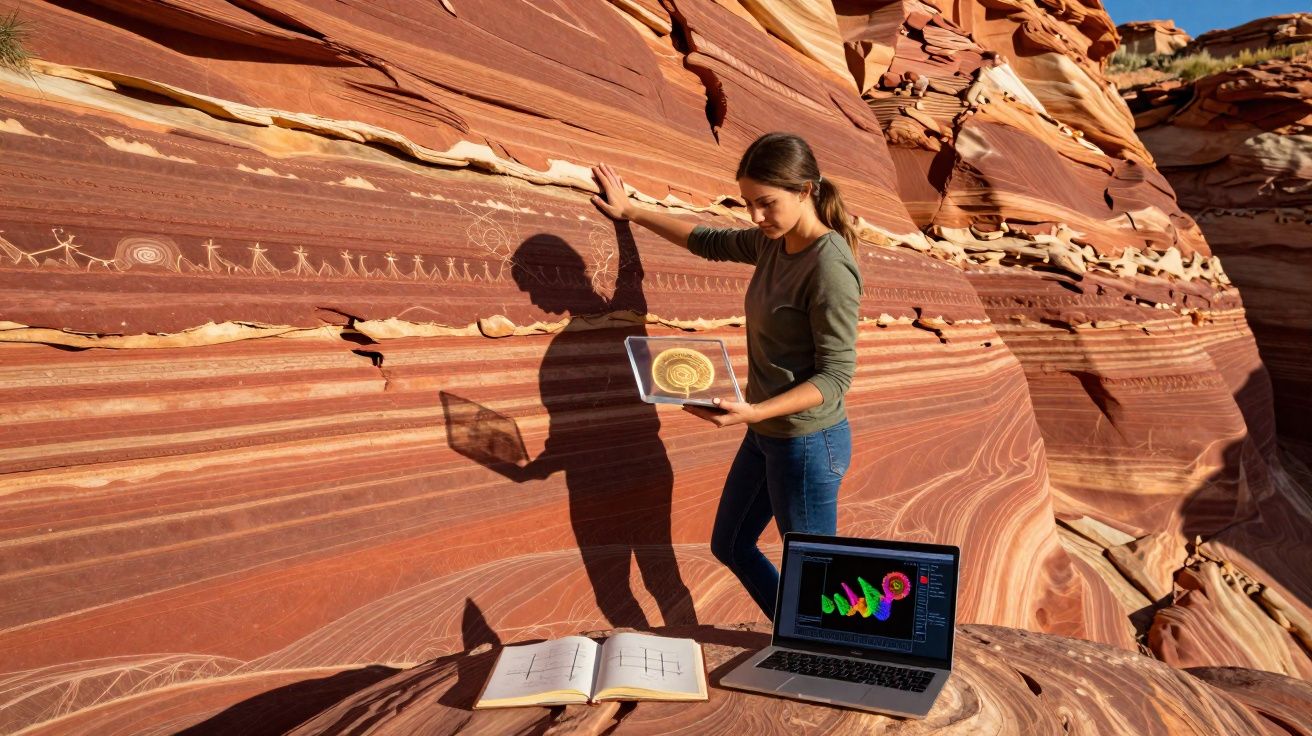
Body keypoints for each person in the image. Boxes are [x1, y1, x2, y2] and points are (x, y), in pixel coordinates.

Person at [590, 132, 862, 619]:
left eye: (766, 203)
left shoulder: (829, 267)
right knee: (732, 545)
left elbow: (836, 376)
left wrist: (755, 411)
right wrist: (632, 212)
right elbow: (708, 242)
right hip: (765, 433)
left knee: (818, 577)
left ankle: (828, 657)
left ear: (805, 191)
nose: (756, 217)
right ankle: (797, 630)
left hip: (806, 444)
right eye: (748, 203)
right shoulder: (773, 243)